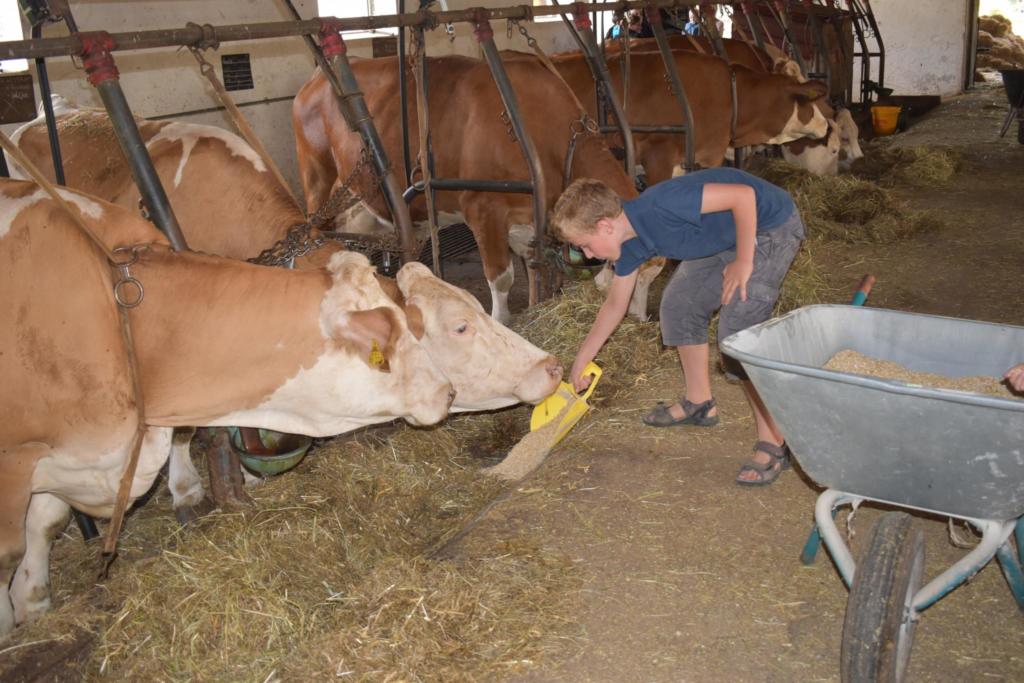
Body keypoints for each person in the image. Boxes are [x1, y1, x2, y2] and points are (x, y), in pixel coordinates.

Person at [552, 169, 805, 486]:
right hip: (723, 239)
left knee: (736, 334)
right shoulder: (628, 244)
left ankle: (776, 439)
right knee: (679, 304)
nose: (588, 254)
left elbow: (743, 196)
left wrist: (743, 260)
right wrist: (580, 362)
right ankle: (700, 403)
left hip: (768, 227)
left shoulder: (663, 205)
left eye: (585, 245)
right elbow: (615, 305)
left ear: (605, 226)